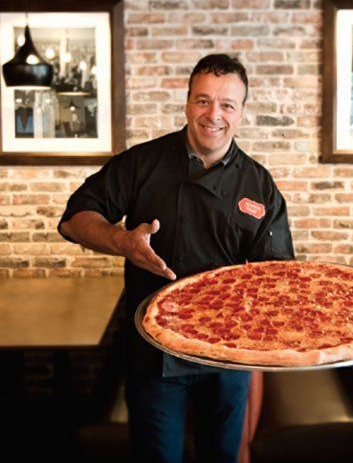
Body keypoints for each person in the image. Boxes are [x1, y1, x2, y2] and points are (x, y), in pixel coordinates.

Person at [58, 54, 294, 463]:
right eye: (203, 101)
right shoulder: (142, 163)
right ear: (186, 103)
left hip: (227, 355)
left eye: (227, 105)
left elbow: (277, 277)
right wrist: (121, 241)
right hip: (155, 354)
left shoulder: (258, 182)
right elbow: (73, 219)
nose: (213, 115)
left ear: (241, 113)